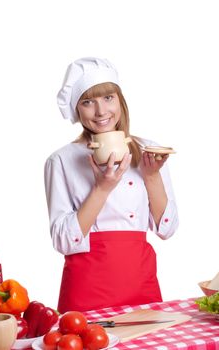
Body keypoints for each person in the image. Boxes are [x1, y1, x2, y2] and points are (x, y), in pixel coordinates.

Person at [44, 57, 179, 313]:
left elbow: (167, 229)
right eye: (87, 102)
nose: (101, 111)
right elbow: (62, 241)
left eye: (108, 98)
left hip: (142, 287)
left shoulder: (148, 151)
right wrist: (102, 188)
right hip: (86, 293)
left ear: (120, 100)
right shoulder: (60, 160)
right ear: (76, 110)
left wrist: (152, 177)